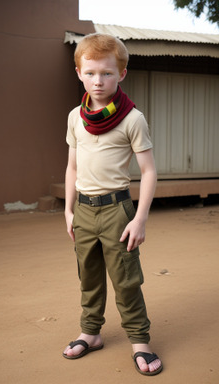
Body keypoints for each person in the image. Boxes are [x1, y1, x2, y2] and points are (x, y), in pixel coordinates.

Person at [63, 33, 163, 376]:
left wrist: (140, 219)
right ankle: (90, 333)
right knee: (88, 277)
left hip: (117, 211)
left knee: (125, 279)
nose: (98, 81)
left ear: (121, 73)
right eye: (90, 73)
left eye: (106, 73)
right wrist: (69, 209)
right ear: (79, 73)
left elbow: (148, 171)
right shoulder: (76, 117)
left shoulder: (132, 118)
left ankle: (140, 341)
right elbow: (72, 166)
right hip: (85, 211)